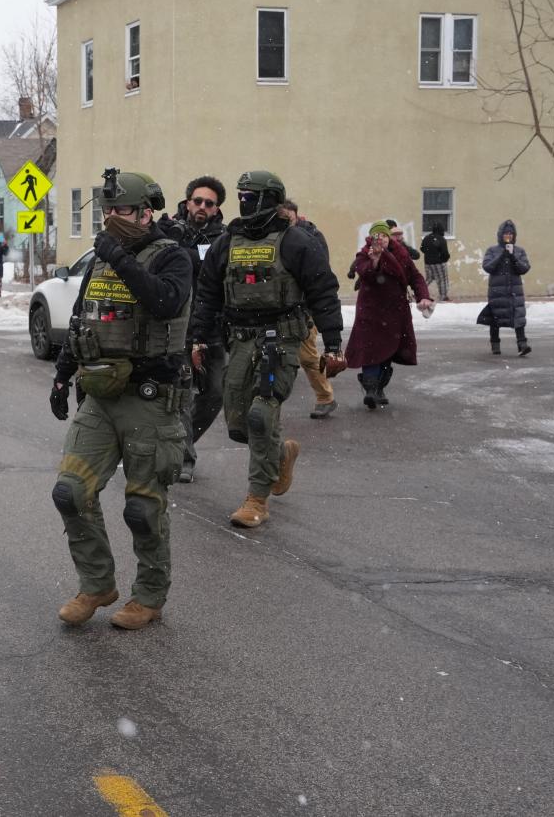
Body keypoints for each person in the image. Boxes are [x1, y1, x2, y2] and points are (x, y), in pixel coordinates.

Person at [47, 170, 192, 631]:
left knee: (143, 508)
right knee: (71, 492)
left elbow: (165, 302)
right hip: (99, 395)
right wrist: (62, 375)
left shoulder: (173, 256)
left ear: (146, 213)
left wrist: (120, 259)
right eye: (106, 210)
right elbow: (81, 319)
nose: (111, 217)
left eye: (121, 210)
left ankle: (149, 596)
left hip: (150, 398)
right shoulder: (101, 259)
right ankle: (96, 584)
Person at [189, 171, 344, 529]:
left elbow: (323, 291)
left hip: (281, 340)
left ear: (269, 199)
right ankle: (280, 454)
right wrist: (199, 338)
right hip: (239, 339)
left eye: (249, 196)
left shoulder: (296, 242)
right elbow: (208, 293)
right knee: (238, 422)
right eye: (240, 197)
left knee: (261, 414)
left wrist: (333, 344)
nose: (243, 203)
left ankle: (256, 499)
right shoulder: (228, 242)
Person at [156, 175, 227, 482]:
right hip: (178, 328)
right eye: (197, 201)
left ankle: (182, 441)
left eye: (209, 203)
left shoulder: (224, 239)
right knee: (182, 393)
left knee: (214, 394)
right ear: (187, 203)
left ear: (217, 208)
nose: (202, 207)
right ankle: (184, 457)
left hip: (211, 328)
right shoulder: (170, 232)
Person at [345, 221, 434, 408]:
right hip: (371, 311)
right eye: (377, 236)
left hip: (395, 311)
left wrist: (424, 296)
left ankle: (379, 388)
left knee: (389, 350)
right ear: (371, 238)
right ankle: (370, 390)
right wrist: (376, 260)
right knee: (370, 350)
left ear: (389, 237)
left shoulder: (402, 254)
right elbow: (366, 273)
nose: (381, 239)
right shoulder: (364, 254)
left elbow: (415, 277)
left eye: (384, 235)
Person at [278, 200, 337, 419]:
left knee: (307, 356)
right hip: (279, 309)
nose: (286, 222)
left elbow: (319, 276)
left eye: (289, 218)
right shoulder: (276, 237)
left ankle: (325, 397)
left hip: (303, 309)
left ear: (296, 216)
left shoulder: (311, 238)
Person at [478, 220, 531, 356]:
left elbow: (524, 268)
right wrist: (502, 255)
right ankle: (495, 344)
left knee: (518, 316)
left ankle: (522, 345)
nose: (508, 236)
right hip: (497, 291)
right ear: (501, 235)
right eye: (506, 233)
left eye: (511, 234)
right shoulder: (492, 250)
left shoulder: (519, 251)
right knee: (495, 317)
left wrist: (513, 257)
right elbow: (487, 267)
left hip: (514, 291)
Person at [421, 222, 451, 300]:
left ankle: (419, 291)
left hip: (427, 262)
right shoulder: (441, 239)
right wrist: (444, 259)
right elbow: (445, 253)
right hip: (439, 263)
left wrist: (429, 254)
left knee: (429, 279)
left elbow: (422, 248)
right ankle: (443, 296)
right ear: (441, 230)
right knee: (442, 279)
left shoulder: (426, 237)